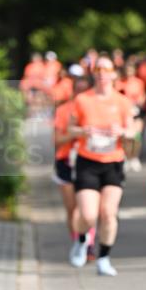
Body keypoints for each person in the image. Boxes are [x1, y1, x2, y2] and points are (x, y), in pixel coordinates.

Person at [68, 55, 134, 275]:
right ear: (94, 74)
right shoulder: (82, 100)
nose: (103, 74)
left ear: (114, 74)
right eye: (98, 70)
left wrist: (122, 133)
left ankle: (103, 257)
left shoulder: (122, 101)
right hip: (88, 161)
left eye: (107, 70)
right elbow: (70, 129)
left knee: (108, 213)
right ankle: (81, 240)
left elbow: (132, 130)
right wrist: (82, 131)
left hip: (113, 163)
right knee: (88, 215)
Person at [52, 66, 92, 241]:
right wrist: (74, 134)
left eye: (85, 91)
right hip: (66, 160)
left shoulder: (95, 108)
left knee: (88, 208)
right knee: (72, 207)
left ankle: (88, 244)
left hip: (90, 160)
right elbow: (56, 140)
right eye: (78, 90)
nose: (81, 94)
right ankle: (77, 241)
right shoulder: (63, 110)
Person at [116, 61, 146, 172]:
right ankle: (127, 157)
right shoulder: (119, 82)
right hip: (124, 113)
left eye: (131, 70)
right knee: (127, 138)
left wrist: (140, 101)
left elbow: (143, 96)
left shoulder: (139, 82)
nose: (129, 72)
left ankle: (134, 157)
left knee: (137, 136)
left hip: (137, 111)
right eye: (127, 70)